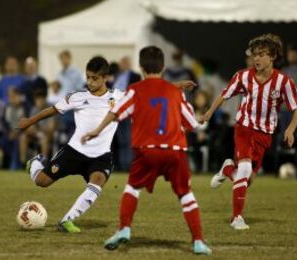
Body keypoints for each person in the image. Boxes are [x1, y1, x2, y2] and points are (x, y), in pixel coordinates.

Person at [81, 46, 211, 255]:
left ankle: (124, 229)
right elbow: (191, 123)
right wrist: (200, 119)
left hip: (146, 150)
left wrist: (97, 130)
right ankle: (198, 242)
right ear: (164, 67)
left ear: (140, 67)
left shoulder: (135, 90)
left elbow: (116, 112)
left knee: (132, 188)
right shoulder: (175, 92)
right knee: (186, 195)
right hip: (174, 150)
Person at [201, 34, 297, 230]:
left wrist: (290, 129)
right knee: (246, 170)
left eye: (262, 54)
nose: (257, 58)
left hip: (264, 134)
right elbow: (224, 94)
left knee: (246, 179)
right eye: (255, 54)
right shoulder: (243, 76)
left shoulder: (284, 82)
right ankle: (236, 218)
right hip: (244, 128)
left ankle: (227, 169)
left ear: (272, 57)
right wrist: (208, 113)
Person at [17, 56, 124, 233]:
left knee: (97, 183)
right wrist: (30, 121)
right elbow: (53, 110)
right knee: (42, 182)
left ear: (105, 78)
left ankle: (67, 220)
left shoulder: (118, 96)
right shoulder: (78, 97)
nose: (90, 81)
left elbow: (147, 93)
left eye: (95, 78)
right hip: (74, 151)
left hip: (101, 155)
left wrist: (175, 87)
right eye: (88, 77)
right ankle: (36, 162)